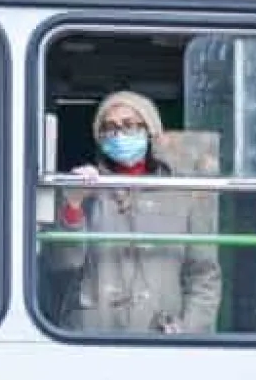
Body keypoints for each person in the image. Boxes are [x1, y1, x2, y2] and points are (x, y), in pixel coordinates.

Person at [41, 90, 222, 334]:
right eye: (109, 128)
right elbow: (61, 267)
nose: (118, 134)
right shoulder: (81, 188)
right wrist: (73, 206)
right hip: (89, 336)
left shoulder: (181, 194)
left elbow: (203, 277)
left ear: (150, 131)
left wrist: (187, 333)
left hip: (161, 339)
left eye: (129, 125)